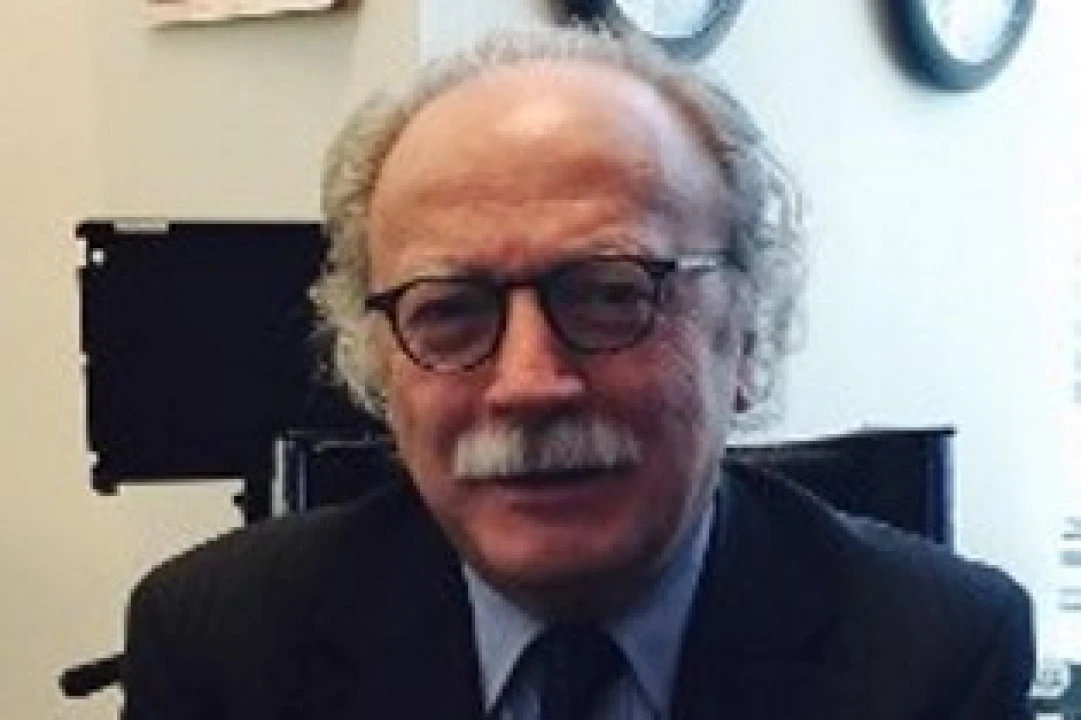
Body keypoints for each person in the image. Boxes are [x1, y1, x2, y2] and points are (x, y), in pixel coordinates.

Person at [120, 26, 1035, 720]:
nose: (527, 383)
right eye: (450, 310)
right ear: (378, 366)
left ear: (750, 336)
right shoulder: (222, 646)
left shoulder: (932, 655)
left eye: (609, 295)